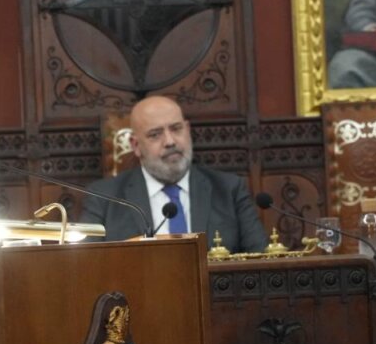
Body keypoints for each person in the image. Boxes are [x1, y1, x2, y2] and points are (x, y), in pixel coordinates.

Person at [79, 96, 267, 253]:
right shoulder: (104, 198)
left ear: (188, 131)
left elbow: (260, 257)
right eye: (155, 134)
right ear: (136, 145)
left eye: (176, 129)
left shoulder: (229, 189)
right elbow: (87, 266)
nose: (170, 141)